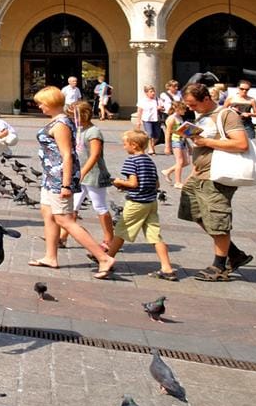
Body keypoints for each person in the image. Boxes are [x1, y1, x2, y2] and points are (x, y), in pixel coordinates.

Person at [28, 86, 117, 276]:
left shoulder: (60, 124)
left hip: (59, 177)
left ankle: (103, 257)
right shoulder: (57, 121)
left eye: (41, 103)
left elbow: (67, 155)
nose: (39, 107)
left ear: (51, 103)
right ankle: (50, 257)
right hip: (50, 176)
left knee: (64, 219)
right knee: (48, 213)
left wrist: (66, 184)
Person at [179, 81, 253, 282]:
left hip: (217, 175)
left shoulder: (226, 115)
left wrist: (207, 142)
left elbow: (241, 143)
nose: (190, 108)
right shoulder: (201, 116)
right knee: (195, 213)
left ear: (206, 98)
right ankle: (235, 254)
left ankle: (219, 266)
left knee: (217, 219)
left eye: (193, 104)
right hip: (199, 174)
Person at [106, 129, 177, 280]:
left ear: (134, 145)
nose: (124, 147)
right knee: (155, 235)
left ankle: (106, 260)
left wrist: (119, 182)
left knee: (120, 231)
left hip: (137, 202)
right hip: (151, 202)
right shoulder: (149, 160)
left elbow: (133, 183)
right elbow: (157, 184)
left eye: (125, 144)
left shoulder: (131, 161)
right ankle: (167, 267)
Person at [72, 100, 115, 251]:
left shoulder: (93, 132)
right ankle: (62, 237)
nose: (72, 118)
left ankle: (109, 239)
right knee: (72, 207)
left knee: (99, 206)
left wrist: (83, 171)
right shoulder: (78, 130)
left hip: (94, 175)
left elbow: (95, 155)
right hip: (80, 175)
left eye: (74, 115)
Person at [162, 101, 191, 188]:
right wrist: (167, 146)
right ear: (177, 109)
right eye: (183, 109)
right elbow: (167, 133)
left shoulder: (180, 118)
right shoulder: (172, 118)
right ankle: (177, 182)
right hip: (176, 141)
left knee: (186, 162)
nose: (185, 111)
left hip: (182, 140)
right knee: (180, 161)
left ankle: (168, 171)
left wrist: (189, 144)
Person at [137, 85, 162, 154]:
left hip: (156, 119)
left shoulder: (157, 99)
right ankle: (151, 148)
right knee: (150, 134)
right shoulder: (143, 101)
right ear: (146, 93)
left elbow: (163, 108)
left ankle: (151, 145)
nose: (153, 93)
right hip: (147, 119)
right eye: (151, 91)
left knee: (157, 135)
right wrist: (138, 121)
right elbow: (139, 111)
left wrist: (160, 108)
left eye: (153, 91)